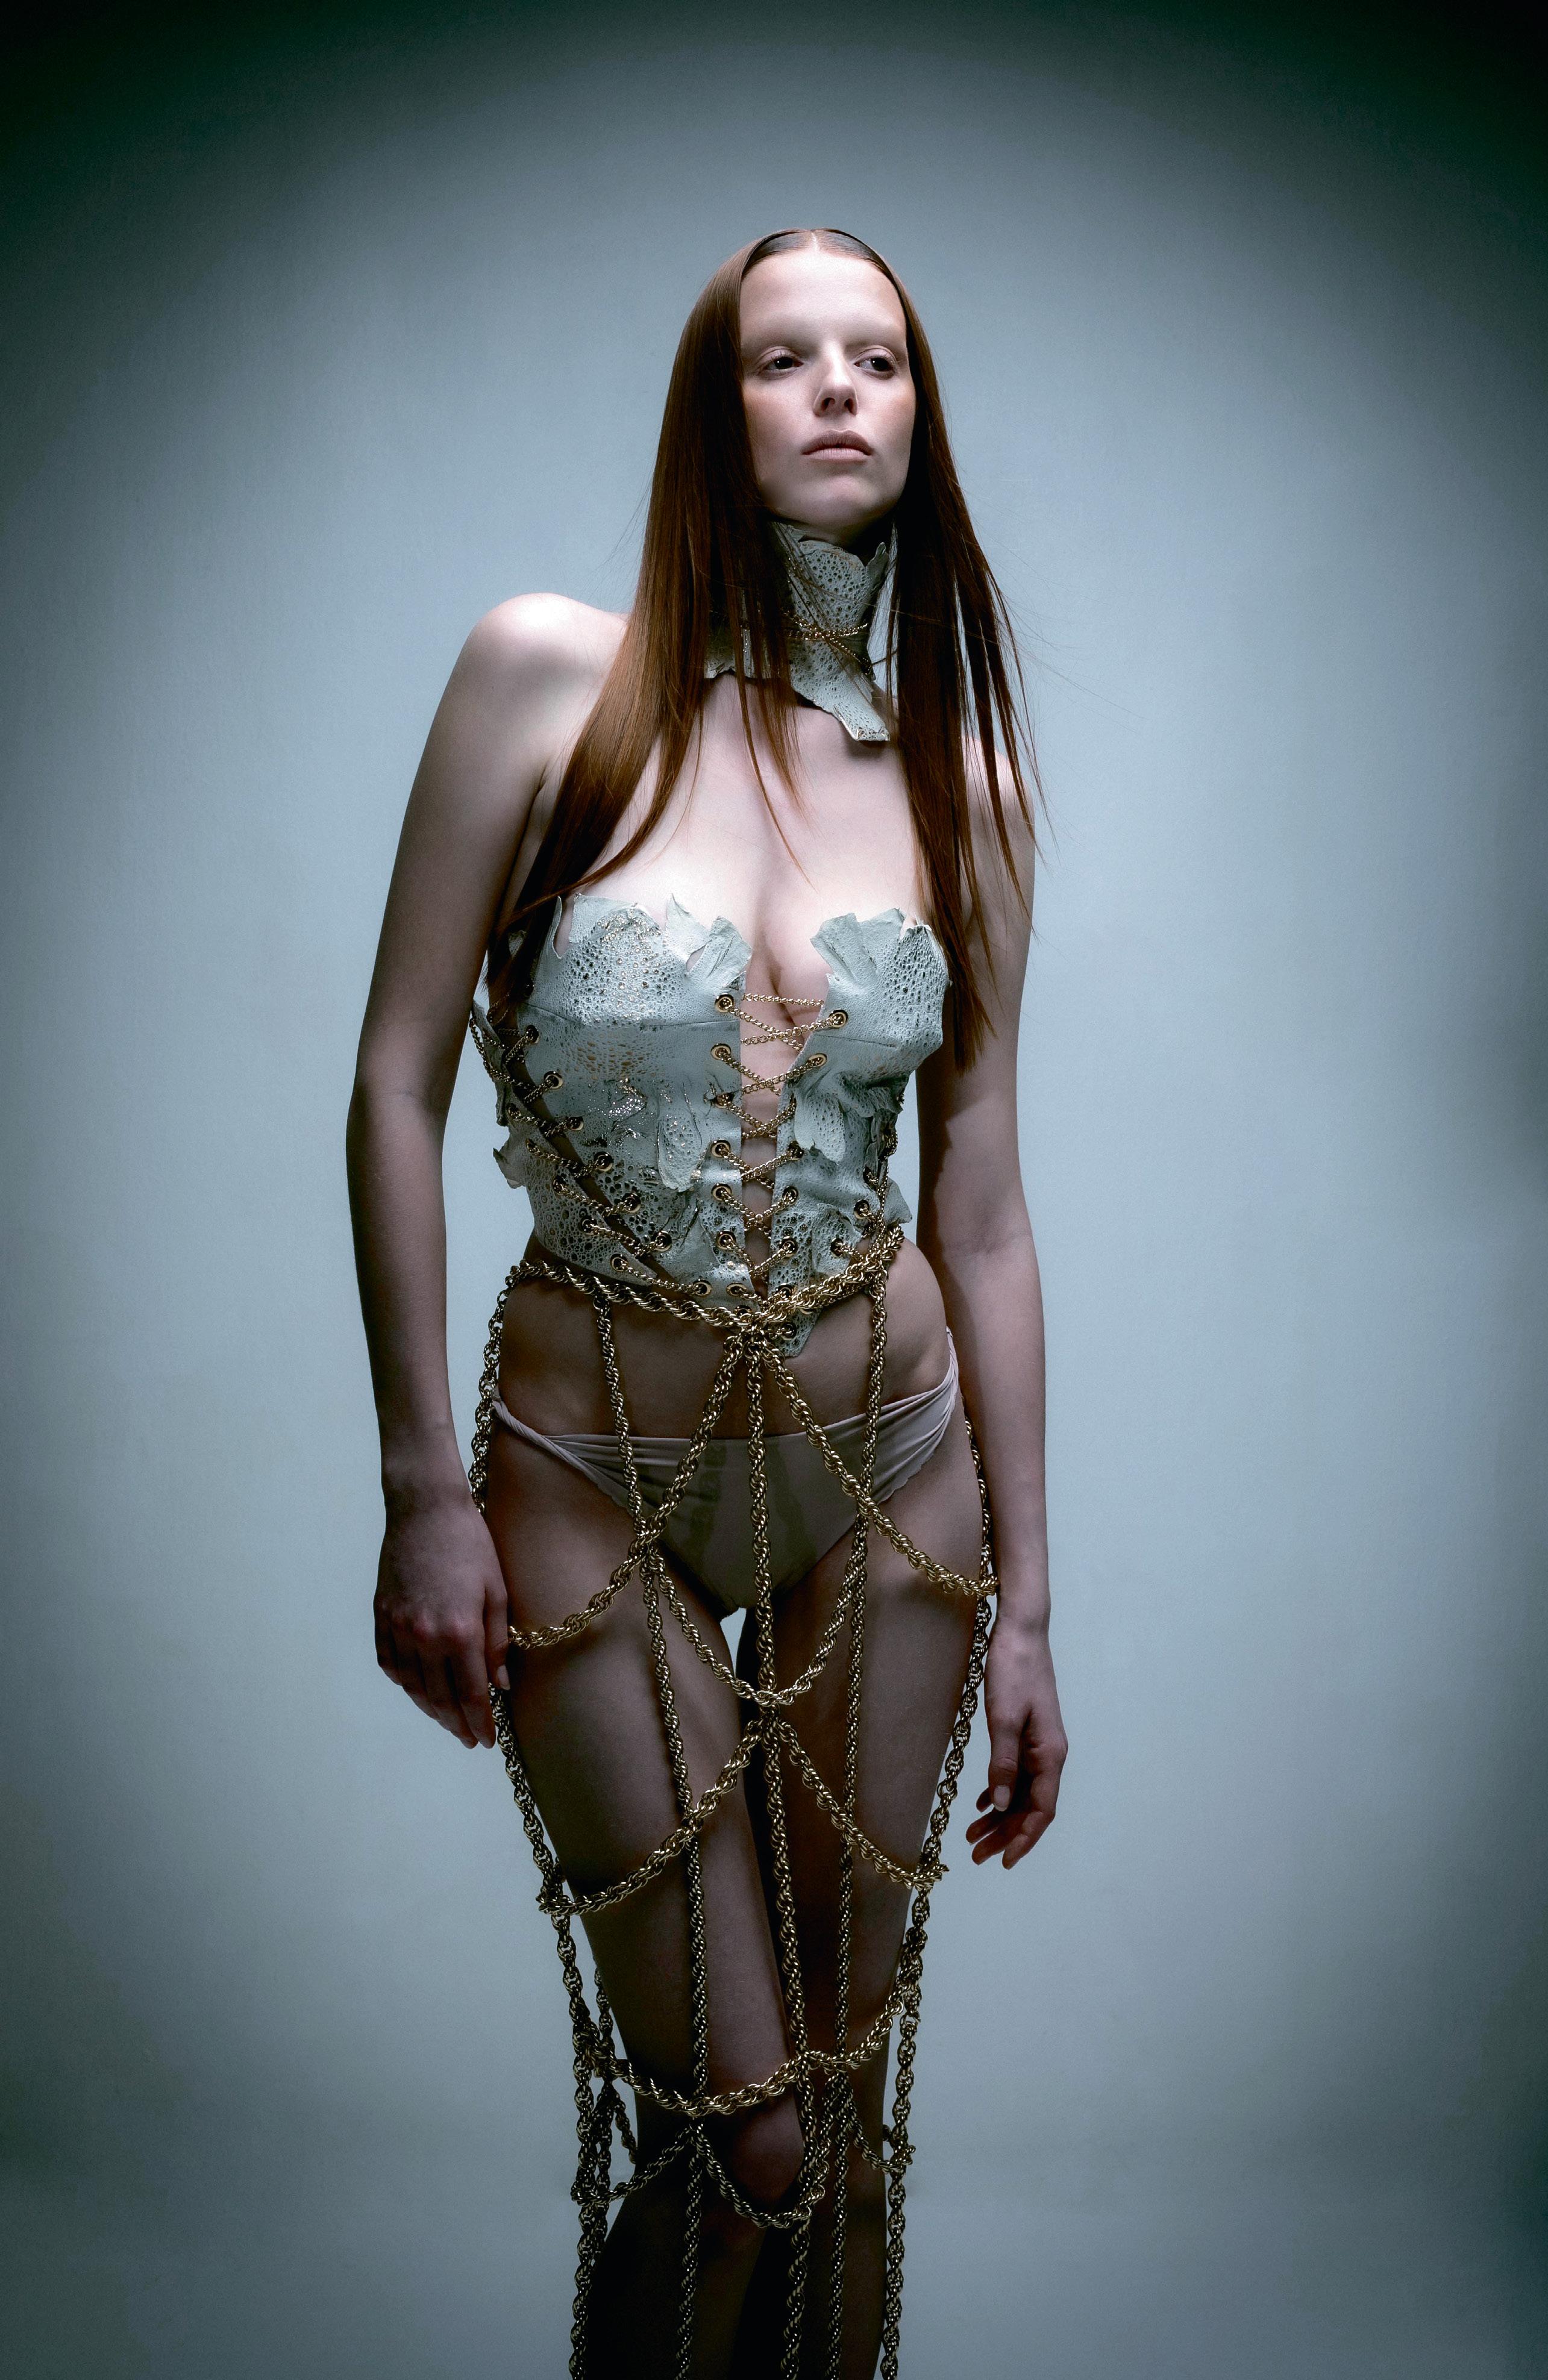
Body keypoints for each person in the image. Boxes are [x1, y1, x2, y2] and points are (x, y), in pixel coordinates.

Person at [347, 225, 1067, 2380]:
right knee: (734, 2131)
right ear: (713, 411)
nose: (839, 388)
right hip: (589, 1473)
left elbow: (983, 1206)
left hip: (893, 1476)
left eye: (879, 358)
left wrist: (1035, 1610)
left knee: (838, 2126)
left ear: (918, 420)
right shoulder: (543, 677)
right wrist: (420, 1492)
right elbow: (391, 1085)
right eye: (784, 357)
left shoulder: (963, 786)